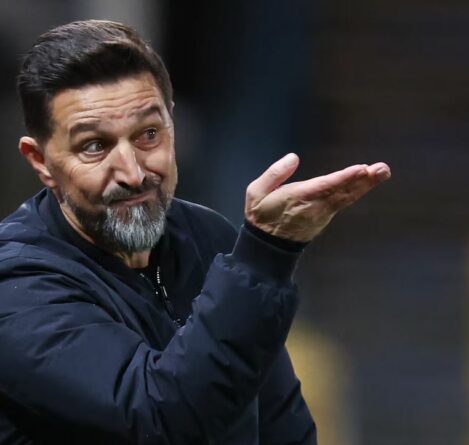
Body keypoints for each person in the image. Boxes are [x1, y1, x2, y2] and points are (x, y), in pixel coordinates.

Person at [0, 20, 391, 445]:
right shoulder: (16, 286)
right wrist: (267, 253)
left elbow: (282, 425)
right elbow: (160, 420)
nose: (133, 173)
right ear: (40, 161)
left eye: (149, 135)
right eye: (95, 146)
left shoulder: (207, 238)